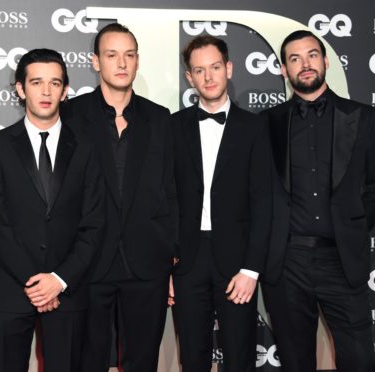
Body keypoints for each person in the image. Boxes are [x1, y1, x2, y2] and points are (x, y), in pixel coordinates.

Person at [261, 30, 375, 372]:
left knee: (360, 360)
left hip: (340, 259)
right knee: (295, 360)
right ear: (283, 70)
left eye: (312, 55)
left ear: (325, 60)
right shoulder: (267, 123)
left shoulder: (361, 116)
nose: (305, 64)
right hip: (287, 262)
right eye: (294, 58)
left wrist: (351, 228)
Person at [0, 48, 104, 372]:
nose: (46, 91)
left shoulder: (87, 148)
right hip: (10, 288)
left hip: (68, 290)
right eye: (36, 82)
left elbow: (94, 223)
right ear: (21, 89)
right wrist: (36, 283)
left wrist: (59, 280)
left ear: (65, 91)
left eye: (54, 83)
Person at [63, 23, 177, 372]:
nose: (122, 63)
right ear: (95, 61)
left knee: (143, 361)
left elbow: (173, 192)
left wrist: (173, 261)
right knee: (87, 361)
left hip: (147, 264)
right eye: (112, 55)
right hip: (88, 263)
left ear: (138, 61)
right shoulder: (69, 116)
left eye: (129, 55)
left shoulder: (160, 119)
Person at [171, 35, 271, 372]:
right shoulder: (172, 126)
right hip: (186, 260)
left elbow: (263, 203)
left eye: (215, 67)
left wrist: (251, 269)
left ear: (228, 68)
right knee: (192, 356)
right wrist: (166, 266)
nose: (208, 77)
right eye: (199, 70)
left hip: (237, 263)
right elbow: (163, 199)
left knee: (240, 354)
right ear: (190, 78)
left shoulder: (255, 127)